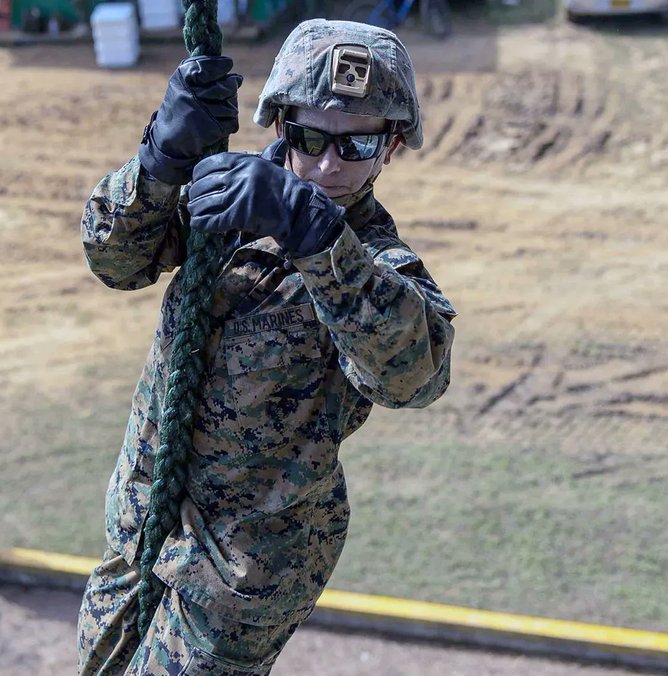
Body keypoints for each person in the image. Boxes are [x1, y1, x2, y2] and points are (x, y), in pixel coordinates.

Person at [76, 19, 457, 674]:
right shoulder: (230, 193)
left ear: (391, 146)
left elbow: (414, 375)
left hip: (236, 580)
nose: (329, 165)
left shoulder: (374, 263)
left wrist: (312, 231)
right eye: (311, 139)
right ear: (281, 125)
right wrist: (159, 161)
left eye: (358, 144)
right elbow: (115, 260)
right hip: (142, 526)